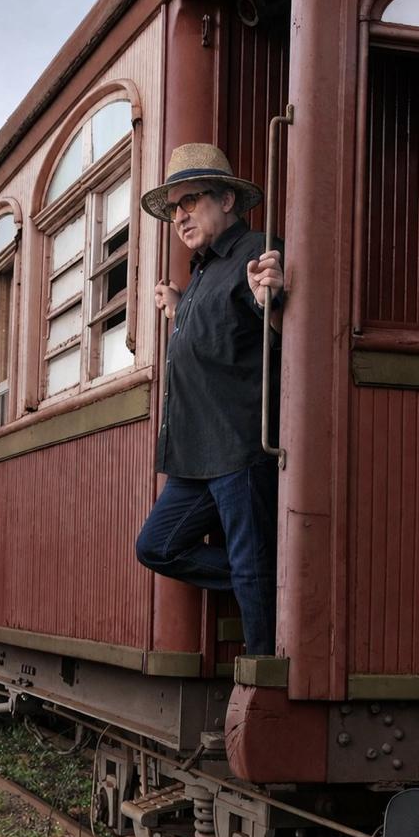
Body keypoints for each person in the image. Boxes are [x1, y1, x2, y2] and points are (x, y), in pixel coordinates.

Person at [135, 143, 284, 656]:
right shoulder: (200, 272)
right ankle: (272, 579)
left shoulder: (254, 252)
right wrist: (180, 310)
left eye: (191, 201)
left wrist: (273, 297)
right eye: (174, 208)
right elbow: (219, 340)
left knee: (248, 562)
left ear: (226, 199)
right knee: (157, 547)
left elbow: (277, 322)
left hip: (239, 446)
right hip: (196, 456)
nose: (180, 217)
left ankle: (263, 669)